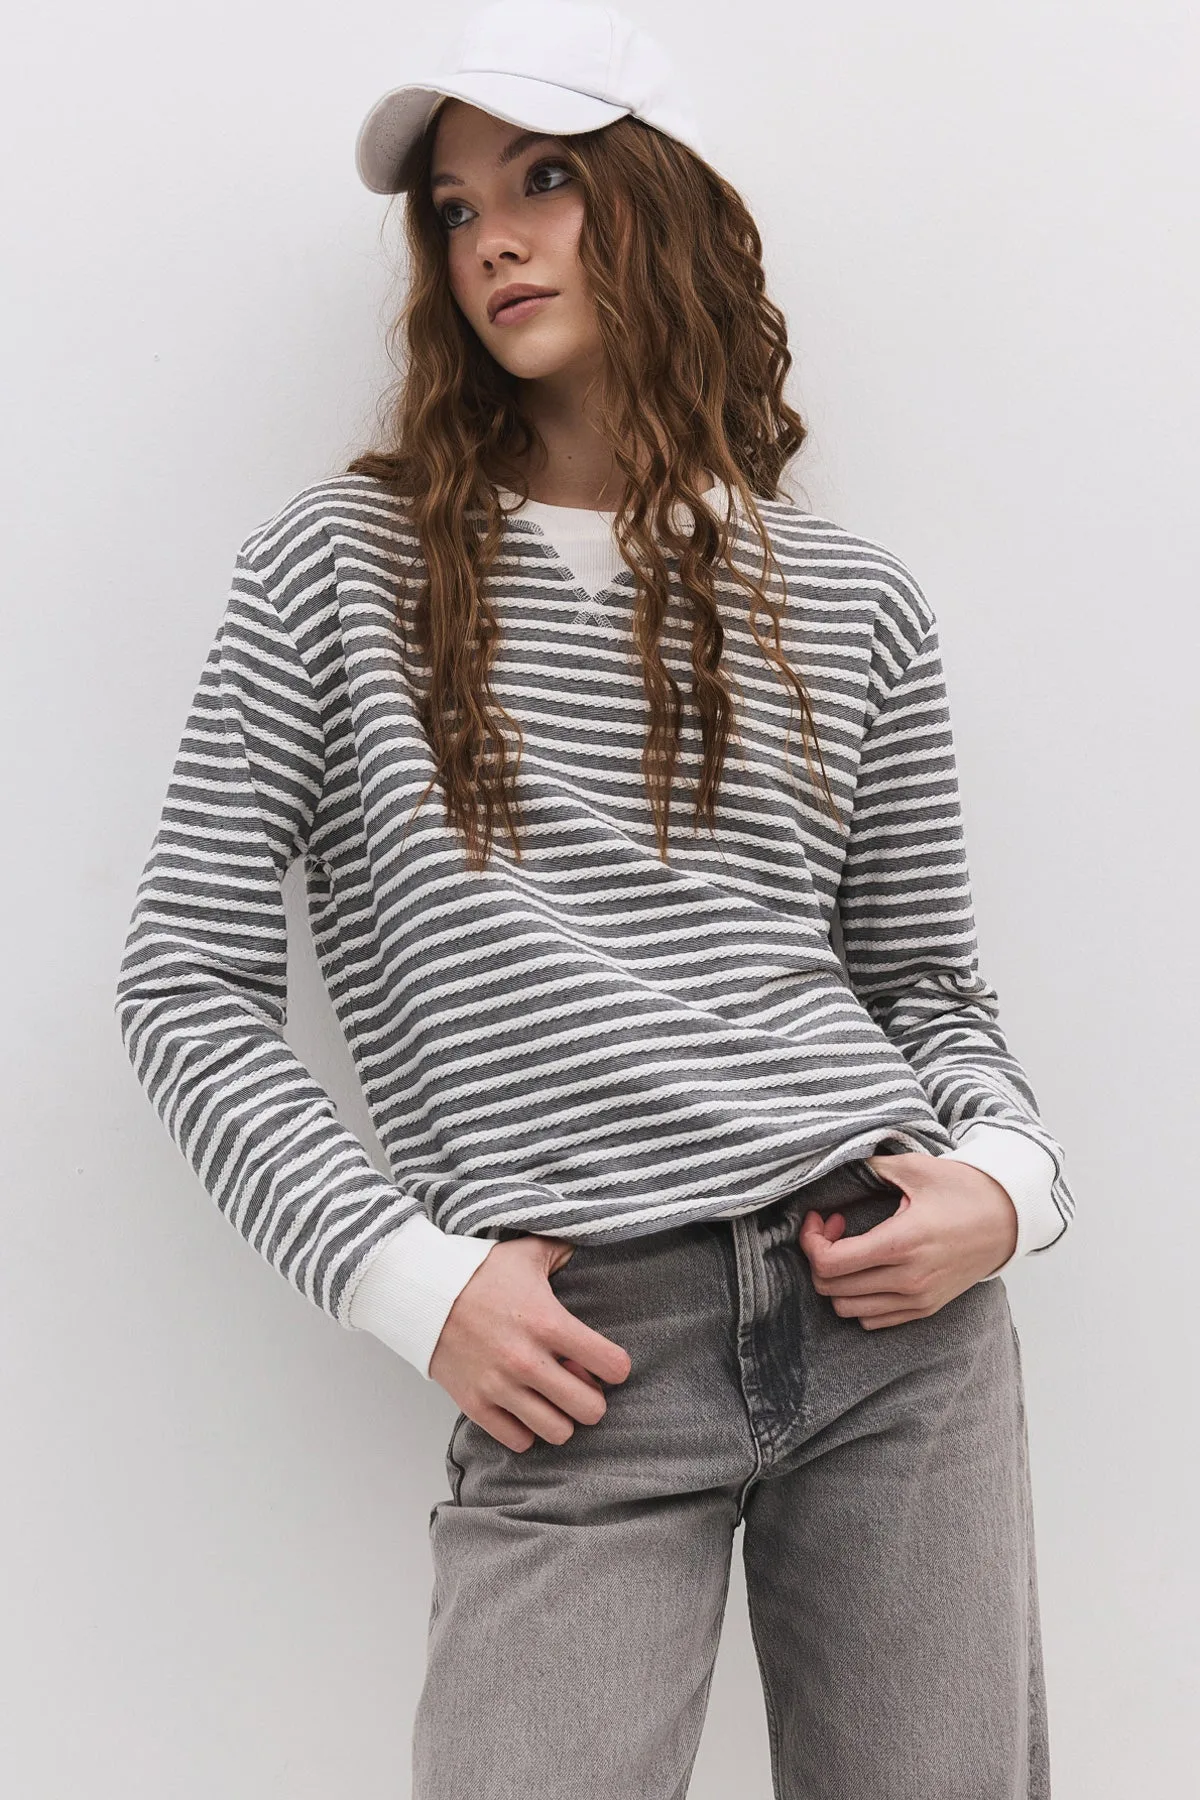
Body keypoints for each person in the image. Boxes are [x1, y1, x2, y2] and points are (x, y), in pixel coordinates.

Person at [114, 3, 1074, 1794]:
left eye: (545, 178)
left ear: (665, 202)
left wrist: (1011, 1186)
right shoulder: (339, 570)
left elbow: (925, 983)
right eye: (455, 208)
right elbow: (184, 981)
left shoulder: (851, 599)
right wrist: (409, 1279)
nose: (492, 236)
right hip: (577, 1349)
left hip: (894, 1320)